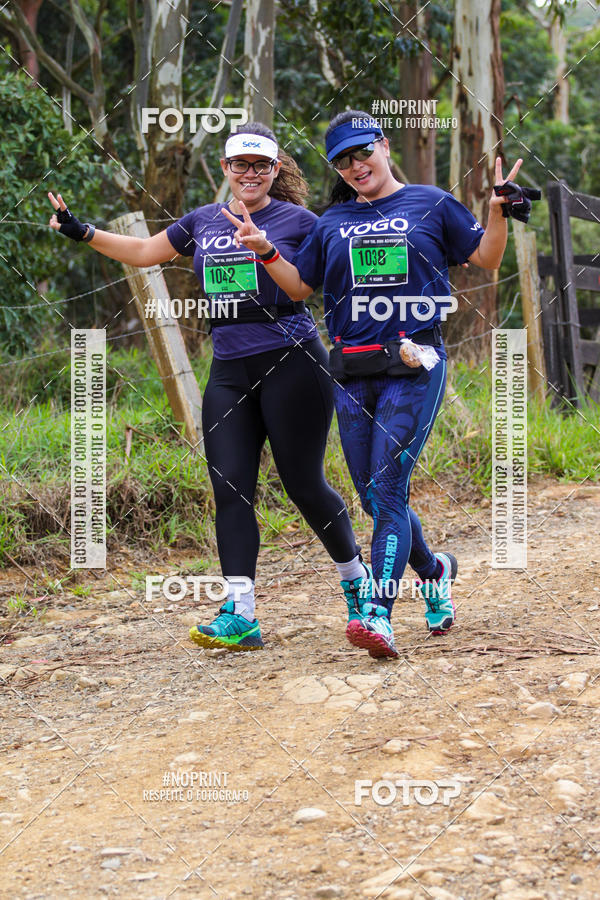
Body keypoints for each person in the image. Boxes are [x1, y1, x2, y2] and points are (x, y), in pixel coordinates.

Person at [48, 122, 376, 654]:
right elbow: (143, 252)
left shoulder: (300, 221)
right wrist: (81, 231)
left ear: (274, 170)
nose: (249, 173)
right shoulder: (202, 220)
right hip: (228, 370)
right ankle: (240, 612)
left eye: (260, 165)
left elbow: (316, 282)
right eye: (239, 164)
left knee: (303, 485)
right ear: (226, 169)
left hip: (292, 364)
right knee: (230, 489)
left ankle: (357, 583)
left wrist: (270, 249)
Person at [222, 110, 531, 660]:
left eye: (362, 151)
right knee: (370, 495)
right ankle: (435, 573)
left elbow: (486, 257)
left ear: (384, 145)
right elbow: (299, 287)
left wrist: (496, 211)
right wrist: (264, 250)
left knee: (388, 489)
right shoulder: (330, 221)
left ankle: (377, 615)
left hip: (413, 365)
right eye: (342, 160)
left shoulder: (432, 204)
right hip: (351, 371)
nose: (355, 165)